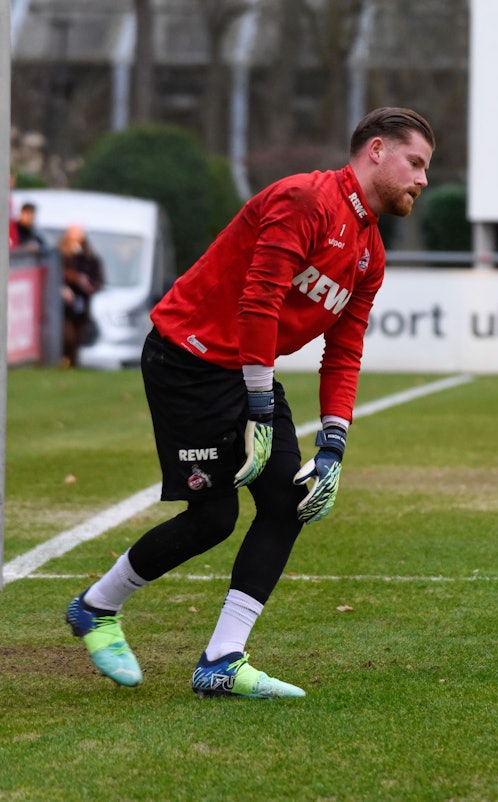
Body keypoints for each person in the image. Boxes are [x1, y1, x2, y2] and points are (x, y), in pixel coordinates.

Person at [65, 107, 436, 698]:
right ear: (374, 152)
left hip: (244, 371)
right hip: (189, 357)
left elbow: (343, 351)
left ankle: (221, 660)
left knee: (292, 503)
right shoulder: (303, 200)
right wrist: (261, 408)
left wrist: (334, 444)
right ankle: (95, 607)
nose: (422, 179)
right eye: (414, 163)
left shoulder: (370, 253)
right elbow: (258, 302)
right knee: (213, 519)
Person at [58, 224, 105, 367]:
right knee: (68, 336)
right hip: (64, 306)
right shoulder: (61, 255)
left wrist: (91, 286)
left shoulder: (89, 257)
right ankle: (65, 360)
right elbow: (57, 274)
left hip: (83, 303)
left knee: (78, 336)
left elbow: (98, 279)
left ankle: (72, 362)